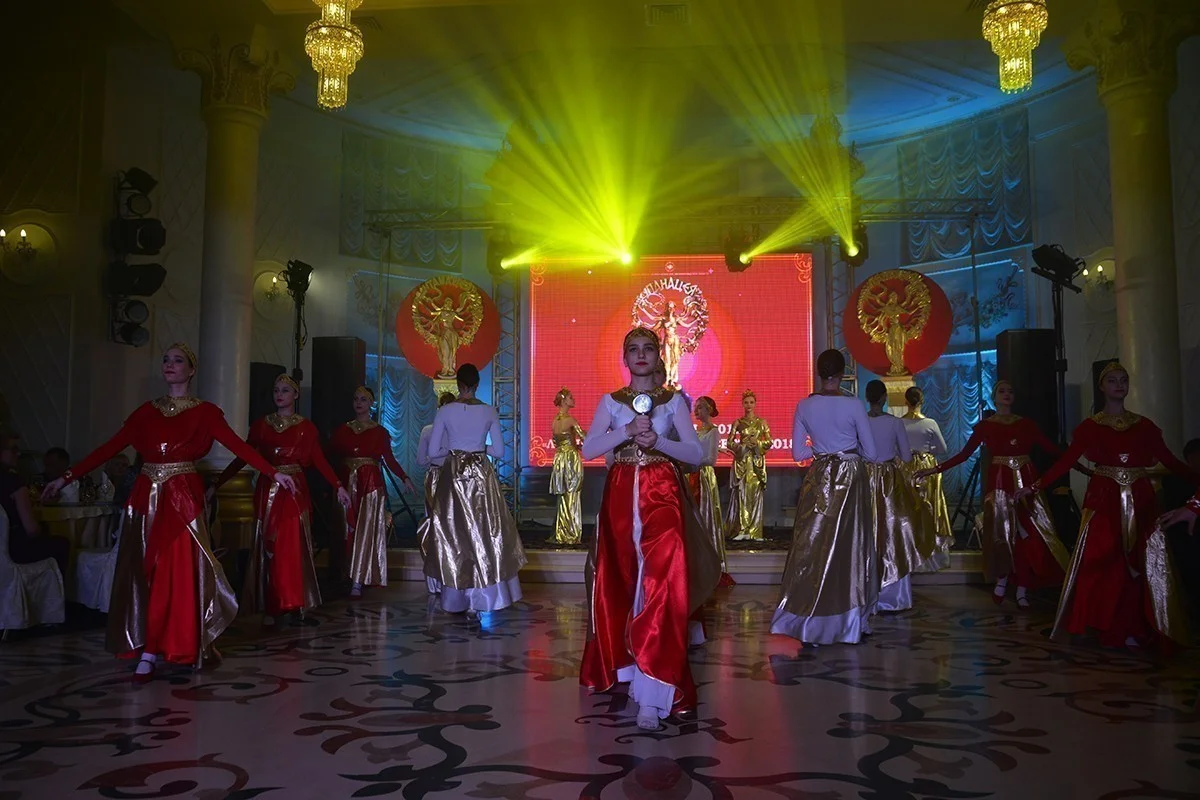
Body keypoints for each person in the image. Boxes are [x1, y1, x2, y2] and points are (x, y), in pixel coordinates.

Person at [40, 344, 299, 682]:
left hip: (182, 500)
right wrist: (65, 478)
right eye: (165, 359)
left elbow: (239, 446)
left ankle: (168, 646)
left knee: (175, 572)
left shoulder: (206, 413)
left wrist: (273, 473)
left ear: (191, 370)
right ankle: (149, 643)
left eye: (178, 360)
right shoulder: (145, 412)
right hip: (146, 499)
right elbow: (109, 448)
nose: (170, 364)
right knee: (145, 571)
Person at [580, 327, 717, 730]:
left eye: (648, 349)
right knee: (621, 582)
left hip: (662, 494)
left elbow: (695, 454)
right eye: (633, 349)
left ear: (659, 356)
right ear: (625, 358)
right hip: (621, 495)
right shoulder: (611, 401)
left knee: (662, 585)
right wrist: (625, 432)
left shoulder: (673, 402)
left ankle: (655, 691)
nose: (641, 355)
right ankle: (627, 666)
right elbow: (588, 448)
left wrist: (658, 441)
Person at [1019, 363, 1196, 648]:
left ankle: (1136, 626)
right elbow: (1066, 461)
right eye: (1112, 380)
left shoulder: (1144, 426)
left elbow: (1171, 462)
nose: (1119, 384)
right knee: (1102, 560)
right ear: (1101, 387)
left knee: (1141, 560)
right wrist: (1036, 486)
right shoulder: (1091, 427)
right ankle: (1105, 623)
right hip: (1104, 499)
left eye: (1123, 380)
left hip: (1140, 497)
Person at [917, 381, 1071, 609]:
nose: (1007, 394)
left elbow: (1052, 449)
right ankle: (1002, 578)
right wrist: (934, 469)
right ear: (994, 396)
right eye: (1002, 391)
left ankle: (1023, 587)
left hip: (1027, 482)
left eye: (1011, 391)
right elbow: (964, 455)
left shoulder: (1026, 424)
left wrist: (1079, 462)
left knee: (1030, 535)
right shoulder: (985, 427)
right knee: (1002, 535)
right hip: (1000, 483)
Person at [211, 375, 351, 624]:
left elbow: (319, 460)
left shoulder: (306, 428)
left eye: (285, 390)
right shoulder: (262, 426)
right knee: (270, 545)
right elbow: (243, 456)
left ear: (296, 395)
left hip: (294, 492)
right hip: (268, 490)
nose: (279, 394)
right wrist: (217, 483)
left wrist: (338, 485)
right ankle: (272, 604)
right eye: (276, 390)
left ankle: (295, 603)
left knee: (292, 545)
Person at [772, 349, 879, 645]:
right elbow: (871, 453)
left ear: (818, 373)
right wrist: (845, 449)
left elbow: (798, 453)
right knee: (850, 547)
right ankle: (850, 619)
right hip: (850, 476)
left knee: (814, 547)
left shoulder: (805, 405)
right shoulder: (853, 405)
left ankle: (808, 615)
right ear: (843, 373)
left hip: (820, 476)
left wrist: (822, 450)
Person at [424, 363, 526, 616]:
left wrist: (455, 449)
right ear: (477, 384)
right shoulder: (489, 410)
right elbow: (499, 451)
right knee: (486, 533)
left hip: (454, 474)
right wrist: (478, 448)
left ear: (457, 384)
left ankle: (456, 597)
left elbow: (433, 452)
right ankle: (485, 596)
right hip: (481, 474)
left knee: (453, 534)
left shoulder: (445, 411)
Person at [329, 385, 415, 598]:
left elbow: (389, 458)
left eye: (364, 399)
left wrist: (404, 477)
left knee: (365, 530)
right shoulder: (343, 430)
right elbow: (330, 456)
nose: (359, 403)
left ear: (371, 403)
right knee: (346, 527)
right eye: (356, 399)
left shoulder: (380, 432)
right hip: (347, 483)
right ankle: (345, 572)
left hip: (370, 486)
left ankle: (359, 578)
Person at [863, 380, 933, 612]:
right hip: (888, 479)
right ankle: (892, 594)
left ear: (867, 398)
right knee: (891, 532)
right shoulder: (894, 422)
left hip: (864, 479)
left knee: (865, 531)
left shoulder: (860, 420)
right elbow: (906, 456)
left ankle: (865, 593)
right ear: (884, 397)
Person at [2, 434, 69, 574]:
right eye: (13, 450)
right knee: (62, 544)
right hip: (14, 550)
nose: (18, 454)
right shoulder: (14, 482)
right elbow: (31, 530)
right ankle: (56, 587)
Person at [902, 387, 952, 565]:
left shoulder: (899, 423)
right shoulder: (930, 423)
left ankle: (909, 555)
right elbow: (943, 449)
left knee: (907, 510)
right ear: (922, 401)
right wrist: (927, 450)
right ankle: (933, 555)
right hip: (926, 469)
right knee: (930, 509)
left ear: (905, 401)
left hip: (905, 468)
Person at [416, 391, 455, 593]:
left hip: (435, 476)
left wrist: (434, 459)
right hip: (452, 478)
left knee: (434, 526)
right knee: (452, 527)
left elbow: (421, 461)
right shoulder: (458, 432)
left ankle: (436, 581)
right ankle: (451, 578)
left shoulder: (428, 430)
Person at [693, 396, 733, 587]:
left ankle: (711, 566)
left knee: (706, 517)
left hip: (704, 477)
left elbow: (711, 459)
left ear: (708, 409)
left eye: (700, 407)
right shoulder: (697, 431)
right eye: (696, 407)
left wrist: (691, 461)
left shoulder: (714, 431)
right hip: (692, 475)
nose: (697, 411)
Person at [726, 389, 771, 541]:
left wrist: (757, 443)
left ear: (755, 404)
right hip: (743, 462)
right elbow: (729, 443)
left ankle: (755, 532)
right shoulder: (738, 423)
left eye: (751, 402)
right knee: (742, 494)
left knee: (756, 494)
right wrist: (743, 444)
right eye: (746, 402)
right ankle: (742, 529)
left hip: (756, 463)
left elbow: (769, 441)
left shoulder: (762, 422)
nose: (749, 405)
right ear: (742, 404)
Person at [549, 388, 586, 545]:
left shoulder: (554, 421)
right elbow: (584, 437)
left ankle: (562, 532)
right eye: (571, 397)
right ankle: (571, 533)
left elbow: (557, 442)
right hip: (570, 459)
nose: (573, 399)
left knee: (563, 495)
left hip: (559, 459)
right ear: (564, 401)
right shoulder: (570, 420)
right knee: (573, 493)